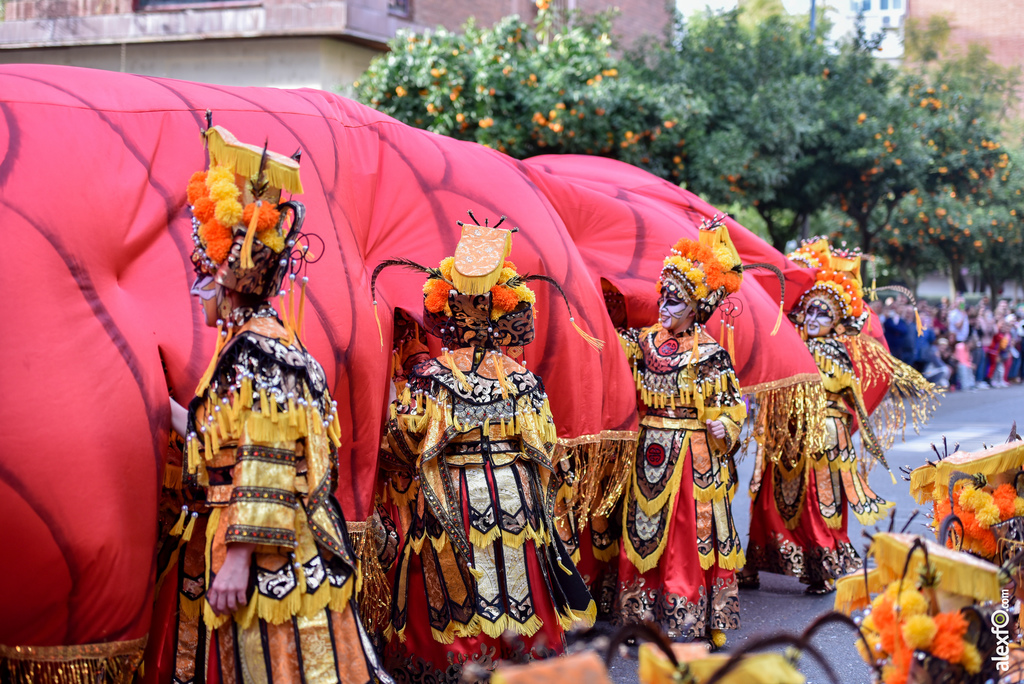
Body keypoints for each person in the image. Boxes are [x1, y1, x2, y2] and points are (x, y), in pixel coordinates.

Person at [163, 123, 390, 684]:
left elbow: (265, 455)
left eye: (205, 281)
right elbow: (225, 435)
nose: (202, 297)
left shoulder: (257, 352)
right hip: (270, 540)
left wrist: (239, 558)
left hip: (273, 555)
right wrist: (157, 406)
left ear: (233, 282)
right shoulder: (258, 344)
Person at [372, 218, 597, 681]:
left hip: (450, 497)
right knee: (516, 571)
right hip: (514, 493)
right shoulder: (520, 380)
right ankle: (518, 663)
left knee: (454, 580)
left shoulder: (430, 380)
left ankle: (454, 666)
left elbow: (402, 443)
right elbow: (546, 445)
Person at [744, 239, 937, 596]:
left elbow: (854, 397)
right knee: (769, 497)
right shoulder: (789, 341)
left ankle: (822, 566)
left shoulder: (837, 353)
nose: (813, 319)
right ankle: (758, 560)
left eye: (823, 314)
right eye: (810, 312)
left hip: (823, 434)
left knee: (819, 501)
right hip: (783, 431)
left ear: (837, 321)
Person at [613, 218, 748, 648]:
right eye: (663, 298)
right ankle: (639, 616)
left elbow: (734, 408)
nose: (665, 307)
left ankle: (687, 616)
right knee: (641, 528)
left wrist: (722, 425)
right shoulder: (641, 343)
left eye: (676, 301)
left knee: (689, 535)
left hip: (693, 454)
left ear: (696, 308)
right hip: (648, 447)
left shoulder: (711, 354)